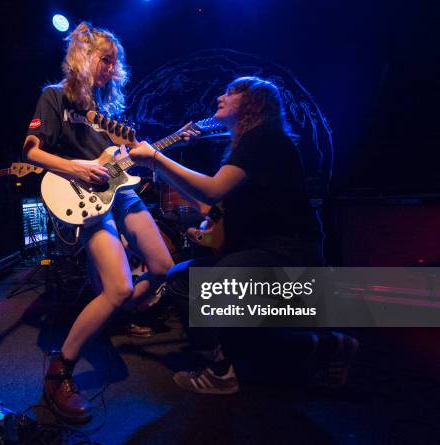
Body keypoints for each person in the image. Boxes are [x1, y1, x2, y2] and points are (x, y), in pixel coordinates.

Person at [129, 76, 359, 394]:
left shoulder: (261, 138)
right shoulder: (258, 142)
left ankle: (218, 374)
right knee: (243, 333)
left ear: (253, 103)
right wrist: (161, 168)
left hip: (282, 255)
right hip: (283, 252)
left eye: (231, 92)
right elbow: (211, 204)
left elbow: (211, 191)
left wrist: (155, 157)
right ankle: (332, 345)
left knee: (184, 282)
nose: (221, 96)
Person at [23, 22, 175, 424]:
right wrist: (76, 168)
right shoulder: (54, 97)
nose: (112, 68)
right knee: (121, 286)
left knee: (162, 266)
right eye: (105, 60)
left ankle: (109, 305)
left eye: (115, 62)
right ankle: (61, 369)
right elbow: (32, 152)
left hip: (120, 191)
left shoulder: (107, 110)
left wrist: (139, 154)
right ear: (83, 58)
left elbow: (120, 158)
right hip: (87, 199)